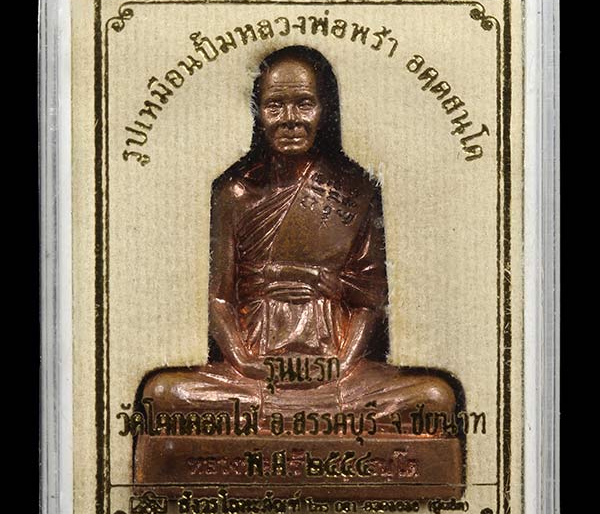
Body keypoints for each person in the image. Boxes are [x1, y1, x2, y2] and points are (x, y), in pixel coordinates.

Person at [138, 46, 458, 430]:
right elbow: (220, 298)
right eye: (275, 106)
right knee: (164, 394)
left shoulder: (353, 191)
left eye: (304, 104)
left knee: (434, 398)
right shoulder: (234, 194)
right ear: (258, 112)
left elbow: (368, 300)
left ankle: (296, 420)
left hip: (337, 371)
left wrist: (342, 363)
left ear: (325, 111)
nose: (290, 119)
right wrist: (244, 361)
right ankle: (309, 422)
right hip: (254, 373)